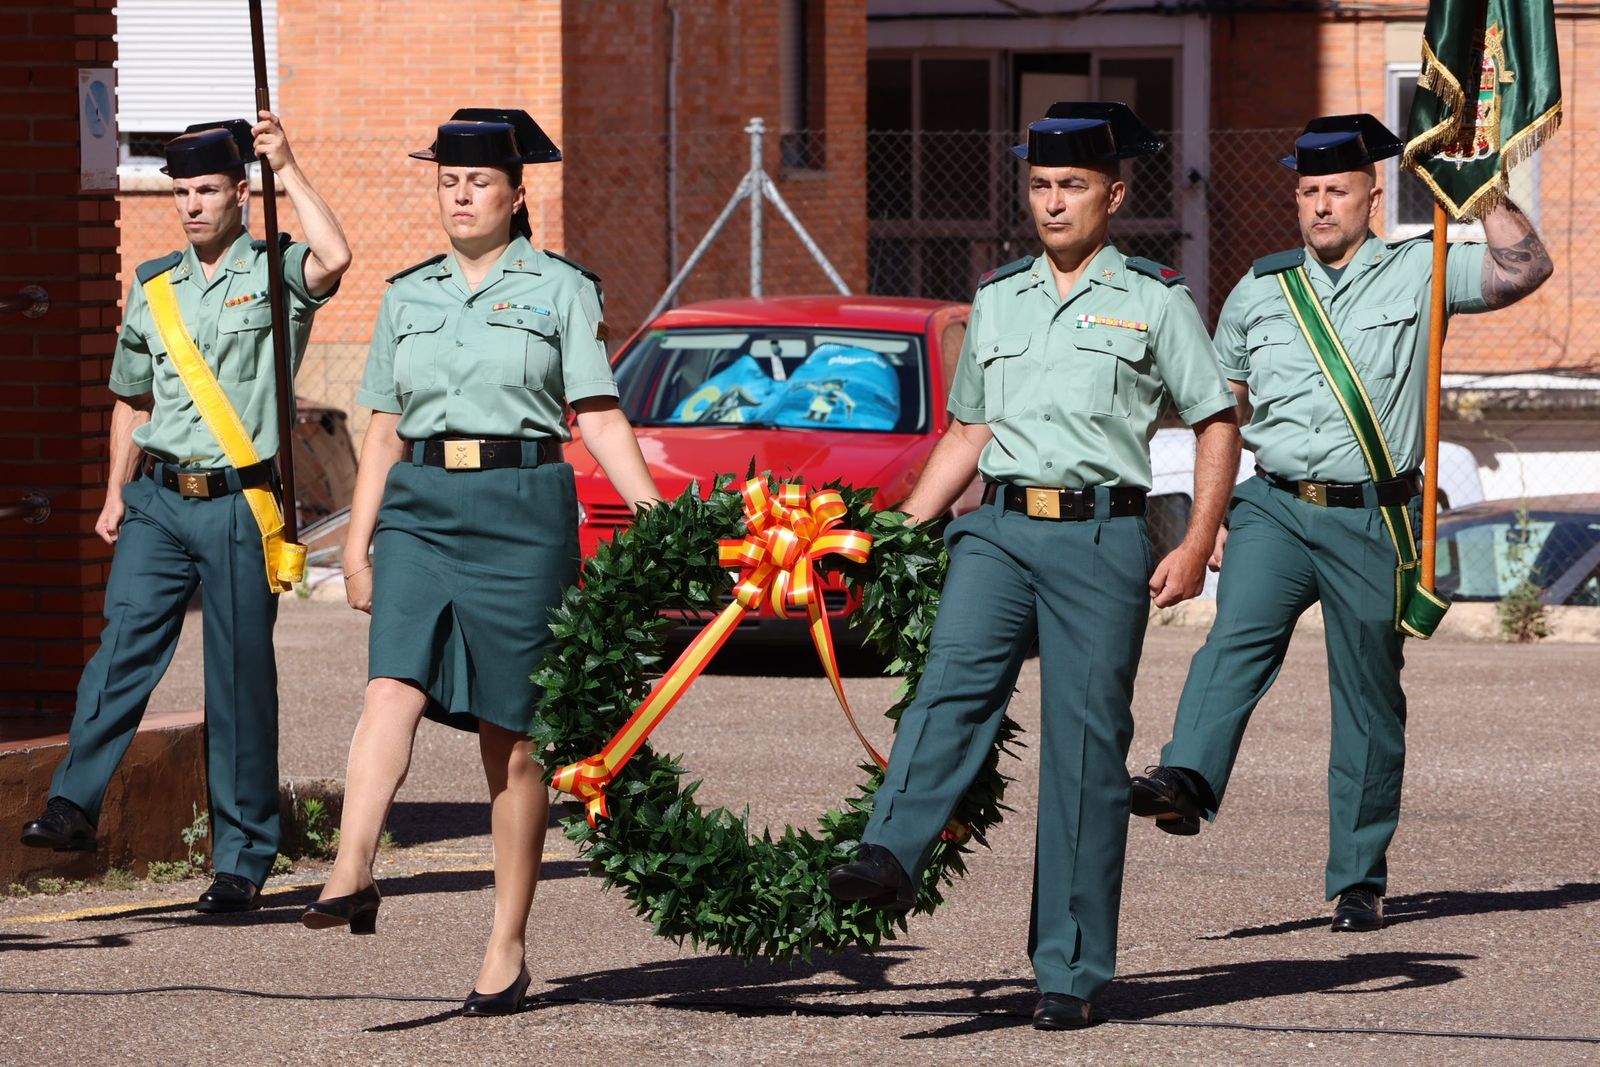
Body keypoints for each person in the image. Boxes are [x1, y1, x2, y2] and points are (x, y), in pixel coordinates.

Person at [826, 102, 1241, 1030]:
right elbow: (969, 430)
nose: (1053, 204)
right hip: (1000, 530)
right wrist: (903, 529)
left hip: (1099, 540)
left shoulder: (1155, 297)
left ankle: (1072, 966)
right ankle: (890, 852)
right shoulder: (1001, 296)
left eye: (1073, 187)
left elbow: (1215, 417)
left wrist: (1196, 537)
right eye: (1042, 186)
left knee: (1086, 757)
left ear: (1115, 194)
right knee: (950, 687)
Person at [1128, 114, 1553, 932]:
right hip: (1277, 506)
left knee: (1366, 696)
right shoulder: (1261, 284)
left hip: (1372, 517)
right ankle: (1185, 777)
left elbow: (1524, 267)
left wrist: (1484, 192)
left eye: (1336, 191)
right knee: (1235, 637)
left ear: (1370, 195)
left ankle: (1359, 874)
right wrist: (1212, 510)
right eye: (1309, 191)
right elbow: (1226, 405)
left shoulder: (1423, 268)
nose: (1320, 206)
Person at [300, 109, 660, 1017]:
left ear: (513, 194)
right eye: (448, 183)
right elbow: (382, 427)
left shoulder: (562, 289)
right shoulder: (408, 293)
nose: (460, 197)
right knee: (393, 684)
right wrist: (357, 540)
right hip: (421, 505)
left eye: (478, 184)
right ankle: (352, 866)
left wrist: (656, 510)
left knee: (516, 742)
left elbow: (598, 412)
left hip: (523, 511)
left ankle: (506, 944)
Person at [18, 114, 351, 913]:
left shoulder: (275, 276)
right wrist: (111, 489)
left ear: (241, 193)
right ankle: (73, 806)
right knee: (121, 646)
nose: (192, 206)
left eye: (207, 190)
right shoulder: (154, 285)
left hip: (239, 505)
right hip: (158, 501)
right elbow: (132, 397)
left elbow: (336, 257)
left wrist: (293, 167)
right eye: (181, 193)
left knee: (239, 680)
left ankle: (241, 861)